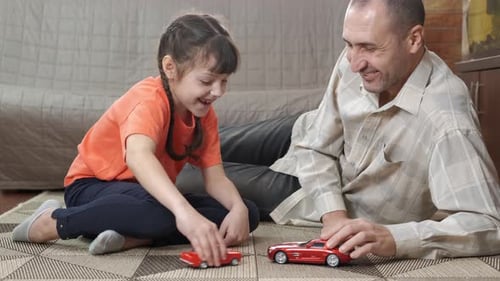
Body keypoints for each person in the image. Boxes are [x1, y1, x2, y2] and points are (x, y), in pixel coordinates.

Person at [177, 0, 500, 259]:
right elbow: (318, 145)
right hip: (305, 133)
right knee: (186, 138)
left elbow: (488, 224)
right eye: (349, 44)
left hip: (308, 188)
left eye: (370, 48)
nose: (353, 62)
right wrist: (333, 216)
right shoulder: (355, 60)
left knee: (183, 176)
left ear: (413, 39)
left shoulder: (446, 120)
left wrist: (393, 238)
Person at [12, 13, 259, 267]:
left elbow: (215, 178)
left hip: (146, 196)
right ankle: (53, 221)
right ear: (170, 68)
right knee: (167, 210)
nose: (217, 92)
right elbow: (138, 155)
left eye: (224, 82)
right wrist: (183, 211)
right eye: (207, 81)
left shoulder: (203, 115)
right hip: (91, 187)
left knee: (247, 213)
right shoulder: (148, 100)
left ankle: (133, 235)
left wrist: (237, 207)